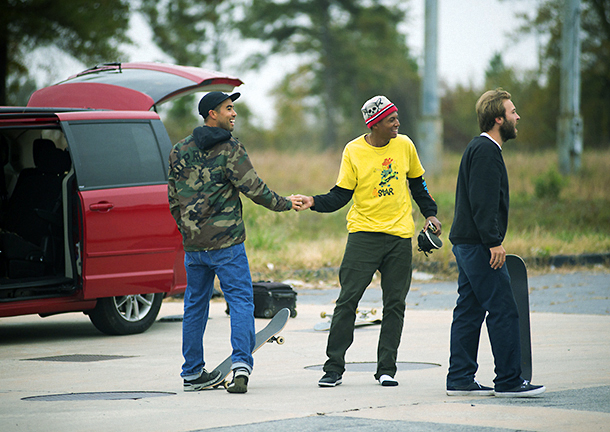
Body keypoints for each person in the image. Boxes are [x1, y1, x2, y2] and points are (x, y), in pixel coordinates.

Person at [298, 95, 441, 387]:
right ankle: (334, 368)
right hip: (363, 236)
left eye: (397, 117)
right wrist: (313, 201)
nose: (397, 123)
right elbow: (340, 195)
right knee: (347, 301)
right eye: (391, 119)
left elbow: (418, 185)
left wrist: (431, 215)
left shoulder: (405, 145)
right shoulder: (354, 150)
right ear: (375, 124)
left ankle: (386, 368)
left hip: (399, 237)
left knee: (395, 304)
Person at [168, 91, 302, 394]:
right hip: (226, 244)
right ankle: (241, 366)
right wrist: (285, 203)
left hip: (194, 246)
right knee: (241, 302)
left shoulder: (179, 150)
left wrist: (188, 231)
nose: (234, 114)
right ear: (212, 114)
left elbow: (173, 198)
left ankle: (191, 374)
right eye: (229, 109)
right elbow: (254, 188)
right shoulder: (230, 149)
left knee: (195, 307)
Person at [446, 88, 545, 397]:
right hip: (478, 245)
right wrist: (493, 242)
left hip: (465, 243)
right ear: (498, 119)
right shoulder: (487, 151)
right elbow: (483, 201)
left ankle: (460, 378)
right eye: (513, 112)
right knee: (504, 309)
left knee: (469, 310)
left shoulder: (477, 148)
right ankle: (509, 381)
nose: (518, 117)